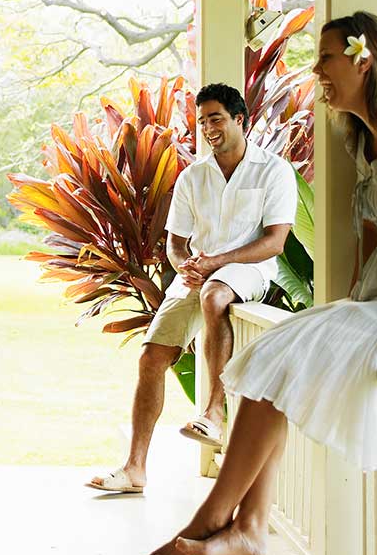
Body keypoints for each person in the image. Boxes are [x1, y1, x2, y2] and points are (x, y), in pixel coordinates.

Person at [146, 12, 377, 555]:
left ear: (364, 58)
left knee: (283, 358)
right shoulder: (364, 138)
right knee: (271, 357)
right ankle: (251, 526)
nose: (317, 71)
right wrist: (351, 303)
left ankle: (216, 516)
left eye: (326, 57)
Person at [88, 83, 298, 494]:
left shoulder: (273, 171)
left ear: (240, 119)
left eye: (216, 118)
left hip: (247, 269)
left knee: (215, 294)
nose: (208, 128)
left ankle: (214, 413)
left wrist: (216, 263)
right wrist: (186, 267)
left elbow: (274, 241)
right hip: (199, 273)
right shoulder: (193, 177)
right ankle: (134, 469)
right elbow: (176, 244)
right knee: (151, 357)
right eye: (203, 121)